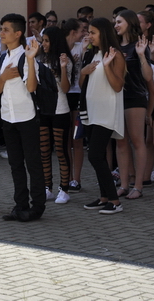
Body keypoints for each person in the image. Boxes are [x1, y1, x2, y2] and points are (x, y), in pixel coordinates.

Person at [0, 13, 45, 222]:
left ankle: (37, 207)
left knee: (33, 163)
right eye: (1, 29)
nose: (1, 33)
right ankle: (20, 205)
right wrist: (4, 77)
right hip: (8, 117)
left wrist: (31, 60)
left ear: (18, 33)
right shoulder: (2, 58)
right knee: (15, 164)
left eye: (6, 29)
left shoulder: (26, 55)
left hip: (27, 117)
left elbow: (31, 87)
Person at [80, 18, 125, 214]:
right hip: (92, 112)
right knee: (97, 156)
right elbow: (83, 83)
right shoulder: (93, 53)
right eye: (88, 32)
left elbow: (117, 86)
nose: (89, 36)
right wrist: (83, 71)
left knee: (95, 156)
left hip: (106, 113)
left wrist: (106, 66)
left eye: (93, 32)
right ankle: (104, 197)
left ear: (103, 33)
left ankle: (115, 201)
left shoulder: (116, 55)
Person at [114, 10, 152, 199]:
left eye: (119, 22)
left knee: (137, 141)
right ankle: (124, 184)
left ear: (129, 23)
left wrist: (142, 56)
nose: (116, 25)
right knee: (120, 142)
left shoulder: (139, 45)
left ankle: (138, 186)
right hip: (116, 98)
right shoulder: (114, 46)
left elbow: (148, 77)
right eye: (115, 22)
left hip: (135, 98)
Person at [38, 26, 75, 204]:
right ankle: (47, 187)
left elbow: (66, 89)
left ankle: (64, 189)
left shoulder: (65, 60)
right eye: (43, 40)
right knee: (44, 150)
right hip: (43, 110)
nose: (43, 44)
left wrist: (62, 68)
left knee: (61, 150)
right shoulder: (39, 59)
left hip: (60, 110)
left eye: (46, 41)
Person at [62, 18, 88, 192]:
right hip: (63, 95)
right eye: (82, 30)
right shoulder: (60, 47)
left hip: (78, 94)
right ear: (73, 32)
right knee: (65, 139)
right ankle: (67, 177)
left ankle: (76, 179)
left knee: (77, 138)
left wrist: (84, 53)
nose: (85, 33)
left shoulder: (82, 47)